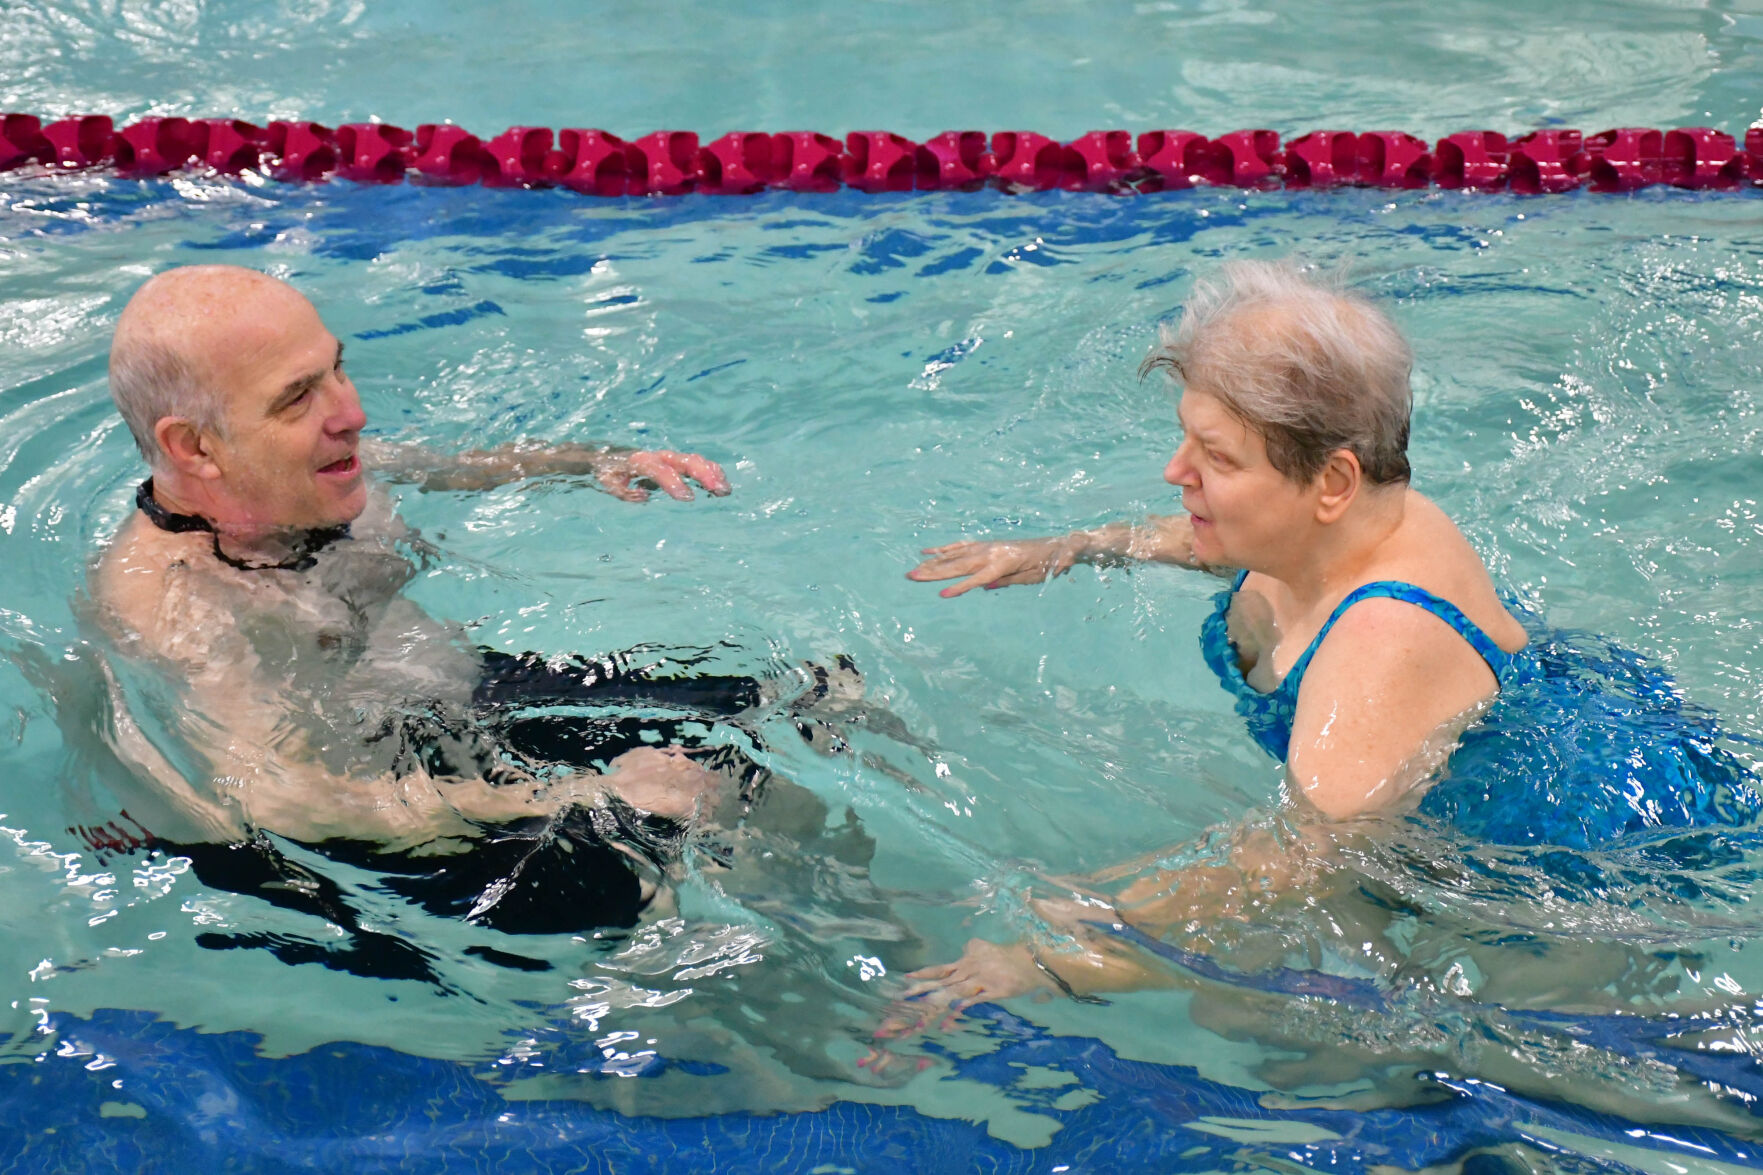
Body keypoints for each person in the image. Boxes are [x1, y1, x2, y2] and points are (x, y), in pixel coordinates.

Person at [896, 259, 1760, 1016]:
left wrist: (1049, 946)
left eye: (1216, 457)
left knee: (1268, 1027)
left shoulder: (1382, 638)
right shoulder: (1326, 528)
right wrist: (1073, 548)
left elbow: (1295, 858)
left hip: (1603, 868)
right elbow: (1220, 546)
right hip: (1549, 727)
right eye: (1184, 439)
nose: (1175, 471)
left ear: (1332, 480)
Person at [89, 264, 809, 953]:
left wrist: (596, 460)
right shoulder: (173, 600)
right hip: (363, 829)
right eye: (297, 396)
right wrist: (589, 792)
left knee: (793, 708)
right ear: (195, 446)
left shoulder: (310, 469)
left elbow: (467, 466)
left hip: (453, 705)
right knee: (658, 893)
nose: (351, 412)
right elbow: (284, 800)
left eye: (337, 369)